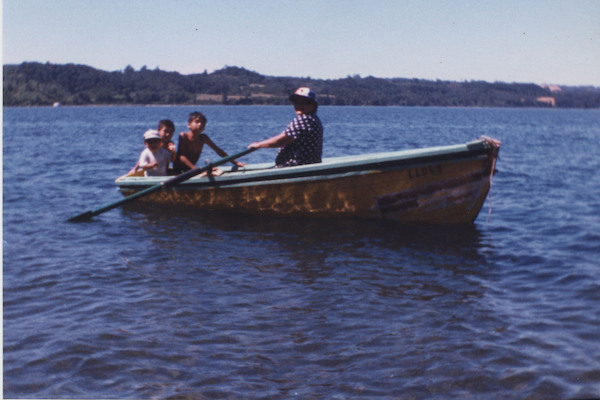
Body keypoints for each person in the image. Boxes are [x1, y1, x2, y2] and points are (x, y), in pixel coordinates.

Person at [249, 87, 323, 167]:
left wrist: (259, 145)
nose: (299, 105)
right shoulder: (314, 119)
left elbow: (282, 140)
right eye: (296, 102)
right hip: (307, 166)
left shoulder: (304, 119)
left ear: (313, 105)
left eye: (304, 102)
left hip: (295, 167)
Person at [172, 111, 245, 174]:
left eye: (203, 123)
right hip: (179, 171)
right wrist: (196, 170)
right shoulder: (183, 136)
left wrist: (236, 163)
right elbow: (182, 157)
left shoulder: (203, 138)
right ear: (189, 125)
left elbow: (218, 151)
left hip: (191, 170)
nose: (200, 124)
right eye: (197, 122)